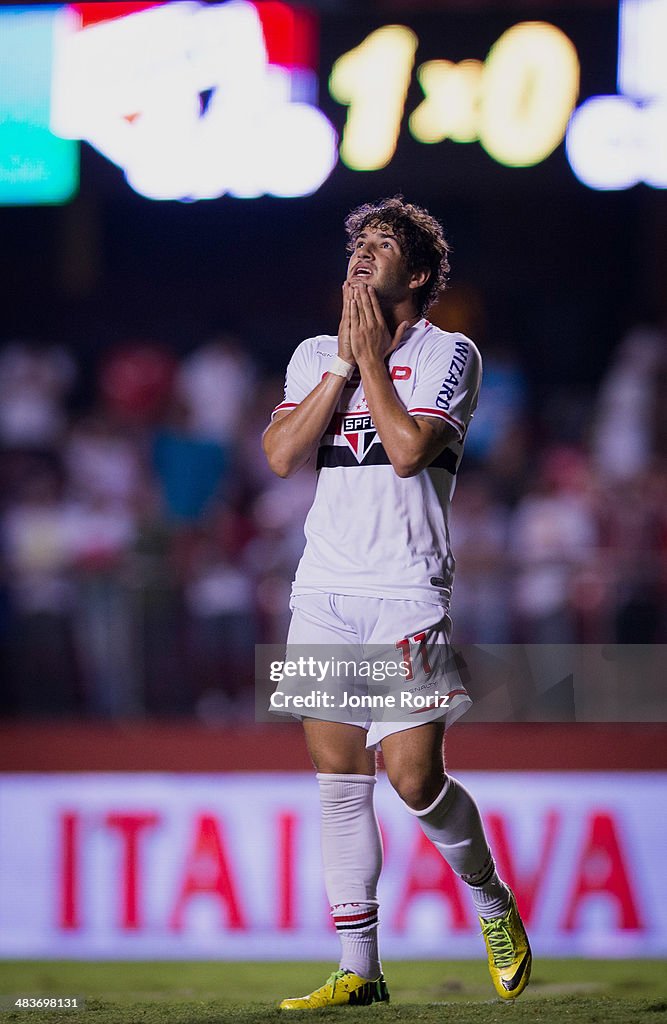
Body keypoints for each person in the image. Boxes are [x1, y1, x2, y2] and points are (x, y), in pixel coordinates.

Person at [262, 197, 531, 1009]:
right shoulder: (314, 354)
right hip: (324, 590)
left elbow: (411, 450)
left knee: (412, 780)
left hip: (405, 589)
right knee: (338, 777)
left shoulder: (452, 352)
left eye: (379, 246)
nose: (360, 256)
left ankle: (489, 897)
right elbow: (279, 454)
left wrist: (371, 360)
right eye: (356, 245)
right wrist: (344, 363)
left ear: (414, 274)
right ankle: (359, 971)